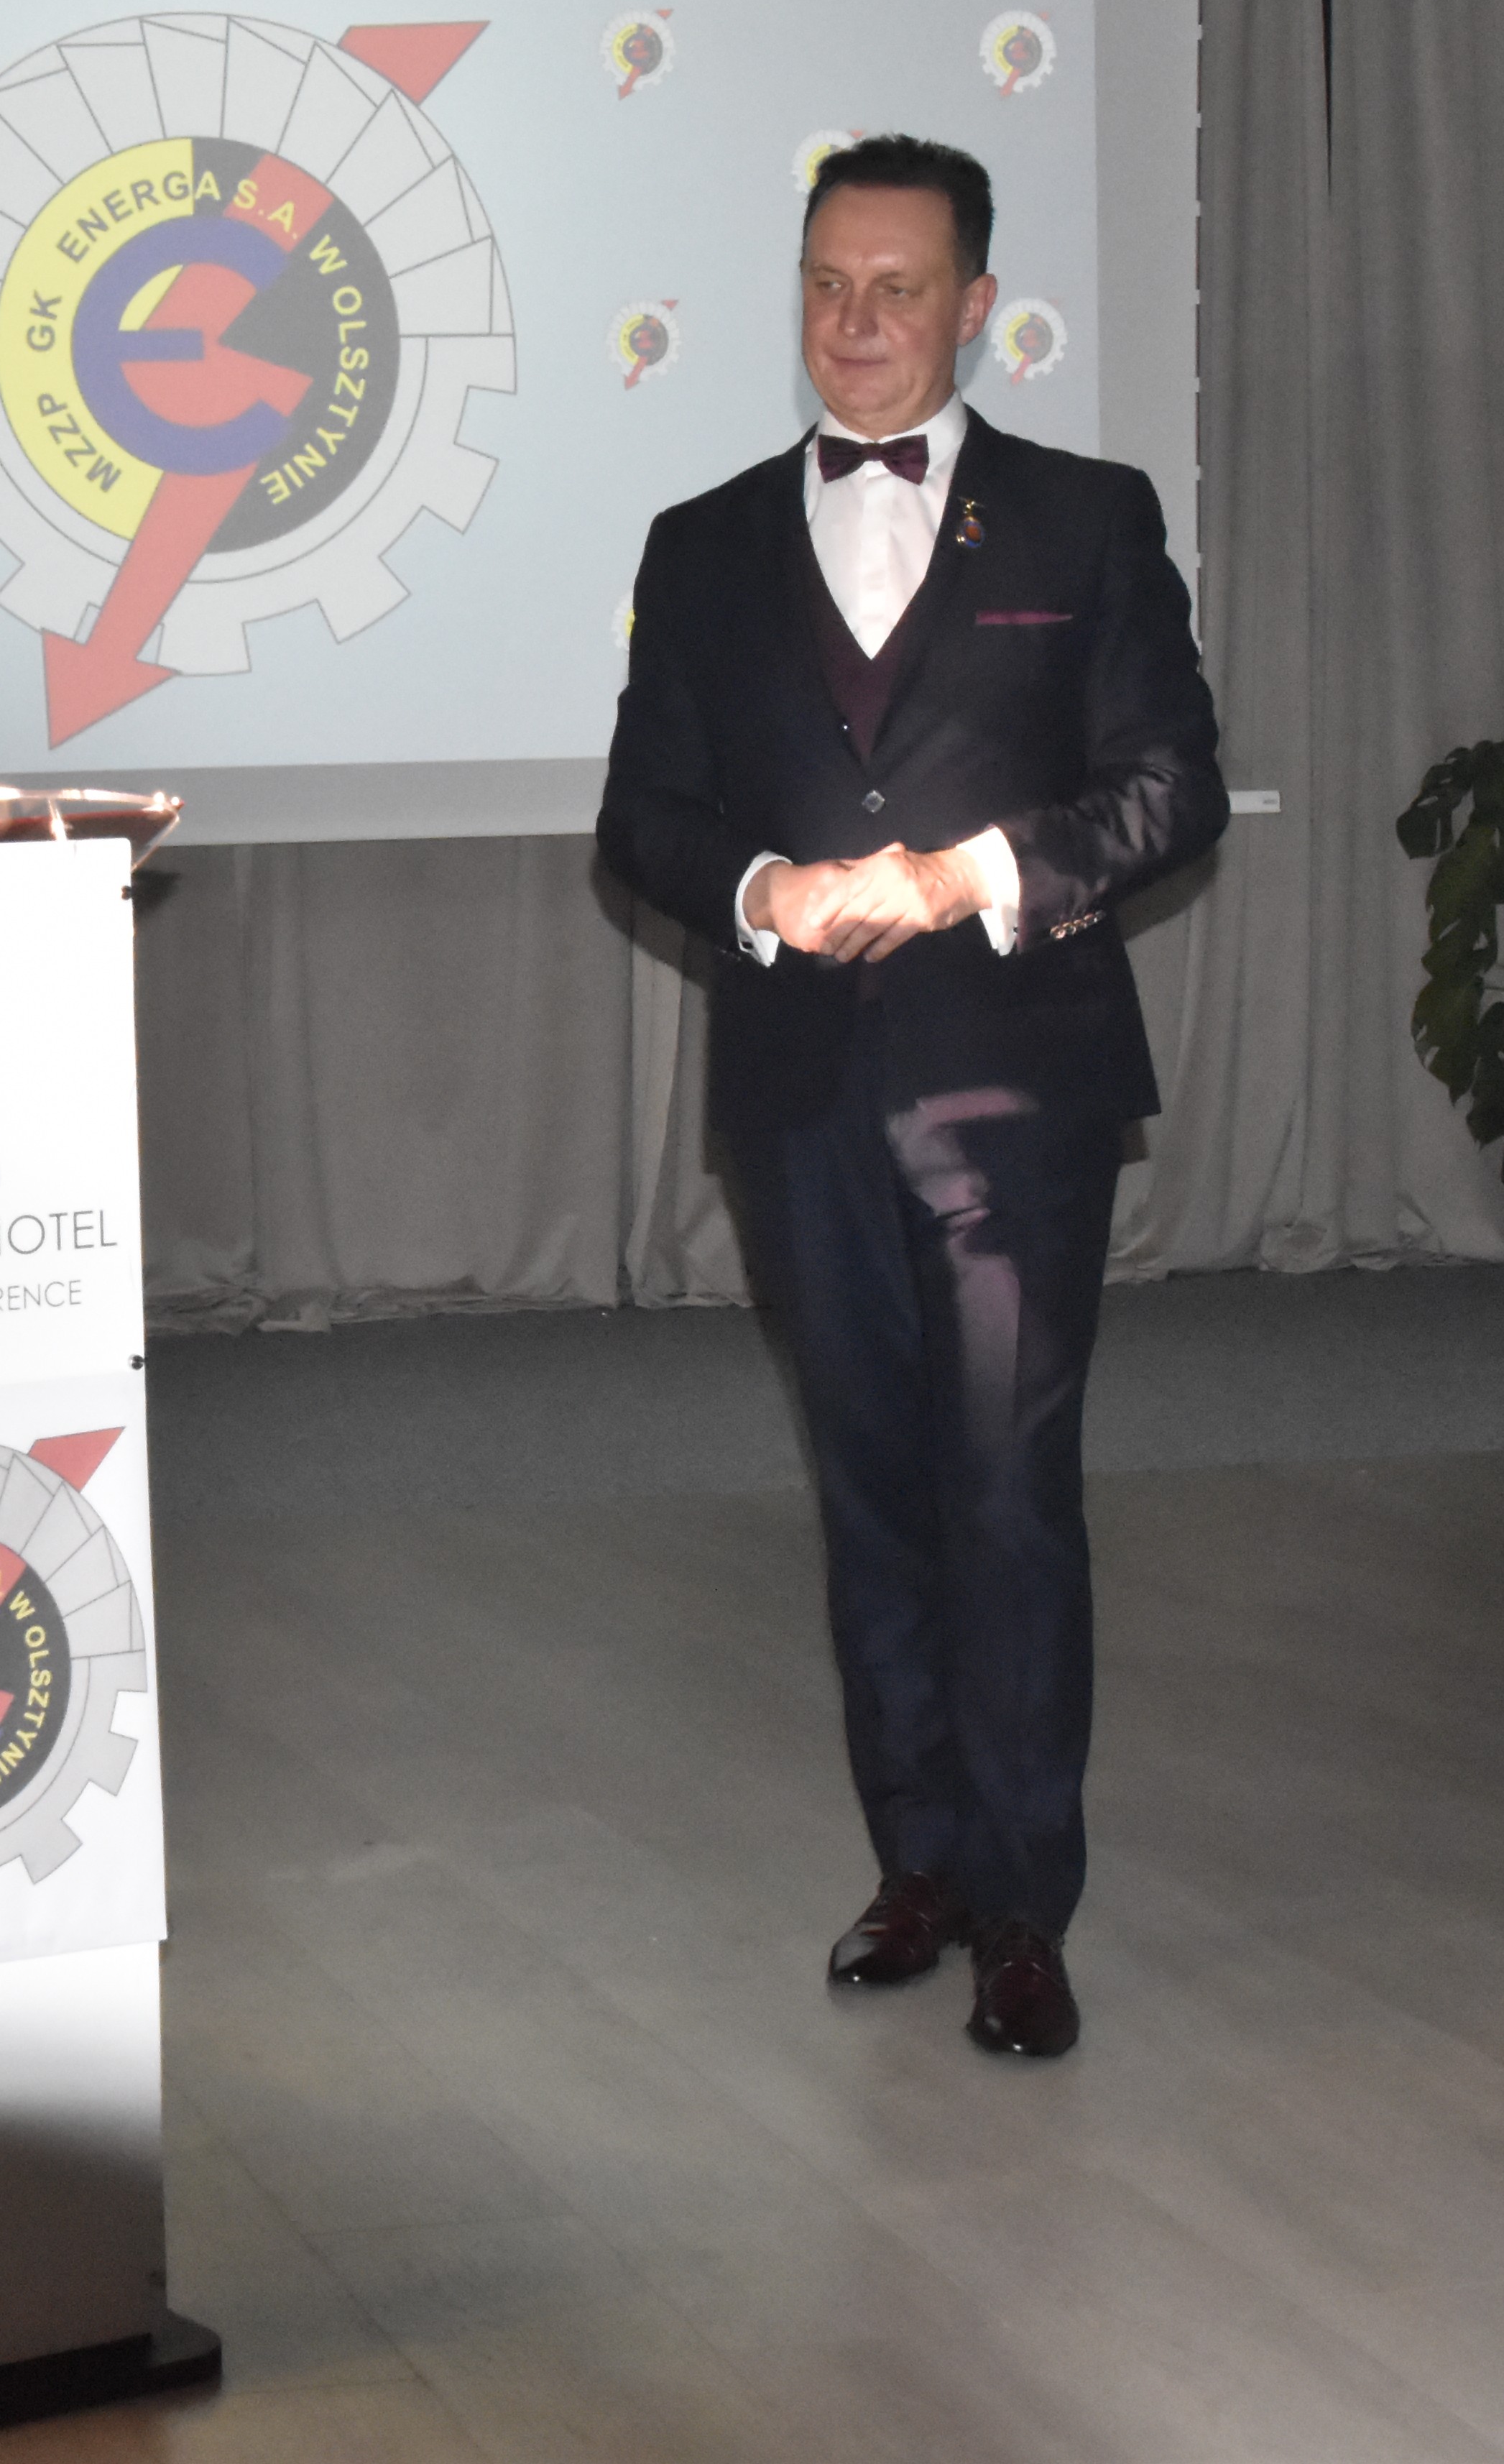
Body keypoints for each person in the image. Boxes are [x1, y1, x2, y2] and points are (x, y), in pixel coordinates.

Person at [596, 137, 1223, 2060]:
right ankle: (920, 1865)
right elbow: (645, 821)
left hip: (1016, 1088)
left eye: (896, 288)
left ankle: (1029, 1906)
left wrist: (964, 876)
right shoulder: (702, 543)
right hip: (801, 1092)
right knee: (869, 1491)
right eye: (826, 285)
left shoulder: (1088, 519)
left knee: (1008, 1492)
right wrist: (766, 895)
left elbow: (1171, 787)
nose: (855, 323)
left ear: (977, 308)